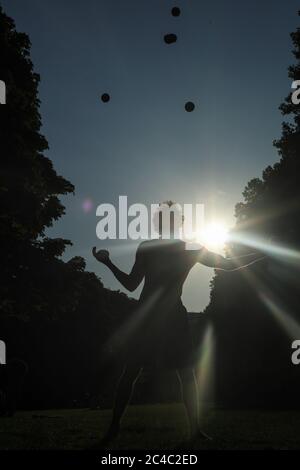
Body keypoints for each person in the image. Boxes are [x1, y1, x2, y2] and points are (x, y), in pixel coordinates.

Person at [92, 202, 265, 444]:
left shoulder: (182, 250)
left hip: (167, 316)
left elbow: (226, 264)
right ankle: (115, 427)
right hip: (153, 318)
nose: (167, 223)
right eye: (164, 219)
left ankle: (192, 430)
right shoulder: (162, 249)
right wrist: (107, 263)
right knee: (137, 372)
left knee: (180, 374)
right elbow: (132, 284)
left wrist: (262, 252)